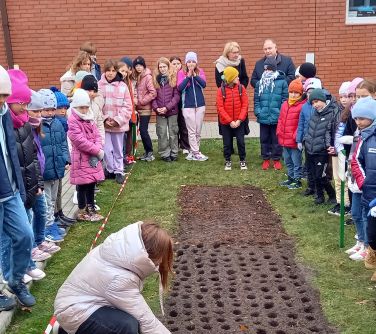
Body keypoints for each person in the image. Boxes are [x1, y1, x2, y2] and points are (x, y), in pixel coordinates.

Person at [54, 221, 173, 334]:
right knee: (126, 327)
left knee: (127, 321)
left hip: (78, 303)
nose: (162, 260)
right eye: (162, 255)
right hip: (74, 312)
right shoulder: (120, 278)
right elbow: (146, 320)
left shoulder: (118, 252)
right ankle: (71, 328)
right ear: (149, 253)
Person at [2, 70, 47, 285]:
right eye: (21, 102)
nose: (25, 108)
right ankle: (13, 272)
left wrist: (37, 182)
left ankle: (27, 264)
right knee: (13, 235)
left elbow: (33, 157)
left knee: (26, 229)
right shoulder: (6, 124)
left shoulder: (26, 124)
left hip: (25, 185)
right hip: (11, 189)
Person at [0, 65, 35, 310]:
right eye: (0, 96)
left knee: (25, 235)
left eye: (5, 96)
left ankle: (15, 280)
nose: (3, 101)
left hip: (10, 191)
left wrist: (20, 188)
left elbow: (12, 153)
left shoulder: (4, 114)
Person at [27, 91, 61, 257]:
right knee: (31, 214)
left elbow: (36, 157)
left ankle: (40, 241)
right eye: (36, 111)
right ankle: (32, 246)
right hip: (29, 180)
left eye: (41, 111)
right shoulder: (25, 129)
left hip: (37, 177)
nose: (40, 115)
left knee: (41, 210)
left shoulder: (35, 128)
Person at [67, 89, 104, 222]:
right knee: (82, 185)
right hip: (81, 158)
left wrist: (99, 146)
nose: (84, 110)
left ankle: (91, 207)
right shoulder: (73, 121)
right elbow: (80, 141)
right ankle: (82, 210)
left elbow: (97, 135)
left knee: (92, 183)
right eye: (81, 107)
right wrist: (96, 150)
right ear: (76, 106)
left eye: (86, 107)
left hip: (92, 157)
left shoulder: (90, 118)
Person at [39, 89, 69, 242]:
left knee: (52, 200)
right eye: (46, 110)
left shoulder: (58, 124)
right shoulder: (38, 126)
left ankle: (51, 224)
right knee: (46, 201)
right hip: (45, 172)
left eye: (52, 109)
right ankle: (47, 228)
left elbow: (63, 143)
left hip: (57, 168)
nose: (50, 113)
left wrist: (66, 158)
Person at [98, 59, 132, 184]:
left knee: (118, 149)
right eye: (108, 71)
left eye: (113, 71)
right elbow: (96, 106)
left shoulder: (123, 86)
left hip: (118, 125)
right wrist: (105, 119)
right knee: (106, 149)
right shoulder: (99, 86)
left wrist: (118, 120)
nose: (110, 73)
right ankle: (110, 169)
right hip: (105, 124)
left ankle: (119, 170)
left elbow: (128, 106)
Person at [351, 97, 376, 266]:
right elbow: (356, 160)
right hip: (369, 190)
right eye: (356, 119)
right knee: (370, 226)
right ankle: (369, 252)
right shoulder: (362, 137)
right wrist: (363, 182)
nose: (358, 122)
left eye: (362, 118)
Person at [214, 41, 249, 156]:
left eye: (238, 52)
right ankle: (229, 149)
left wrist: (239, 88)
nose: (236, 55)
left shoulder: (240, 61)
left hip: (238, 96)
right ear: (227, 53)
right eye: (234, 52)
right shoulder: (220, 64)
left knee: (239, 127)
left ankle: (241, 149)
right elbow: (219, 82)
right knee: (227, 129)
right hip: (226, 98)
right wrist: (228, 90)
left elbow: (244, 77)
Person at [304, 88, 337, 205]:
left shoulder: (332, 113)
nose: (315, 105)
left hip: (322, 151)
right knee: (314, 174)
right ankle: (319, 196)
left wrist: (326, 145)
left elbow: (329, 132)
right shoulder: (315, 114)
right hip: (311, 149)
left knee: (321, 175)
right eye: (312, 103)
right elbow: (310, 130)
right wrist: (306, 141)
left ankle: (332, 195)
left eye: (317, 101)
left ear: (323, 100)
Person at [254, 56, 288, 170]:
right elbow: (256, 100)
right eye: (265, 69)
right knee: (264, 139)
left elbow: (284, 99)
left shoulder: (282, 83)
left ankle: (276, 159)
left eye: (269, 69)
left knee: (276, 140)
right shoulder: (260, 84)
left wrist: (280, 113)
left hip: (276, 117)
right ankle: (266, 159)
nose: (267, 71)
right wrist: (258, 112)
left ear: (274, 69)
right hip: (263, 117)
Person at [50, 87, 77, 227]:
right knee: (53, 192)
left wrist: (66, 159)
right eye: (59, 107)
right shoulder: (51, 124)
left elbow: (63, 144)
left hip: (59, 161)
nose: (63, 111)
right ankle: (55, 215)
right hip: (52, 164)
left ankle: (60, 212)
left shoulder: (62, 124)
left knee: (60, 188)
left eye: (65, 107)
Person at [177, 51, 208, 161]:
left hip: (200, 105)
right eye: (189, 61)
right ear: (186, 63)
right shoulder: (181, 73)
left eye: (193, 61)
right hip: (188, 106)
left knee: (198, 129)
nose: (191, 63)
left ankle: (194, 150)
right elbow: (180, 88)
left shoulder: (200, 72)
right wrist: (188, 77)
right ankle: (195, 152)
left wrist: (195, 76)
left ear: (196, 62)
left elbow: (203, 84)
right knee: (192, 130)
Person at [216, 66, 248, 171]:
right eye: (236, 76)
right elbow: (220, 107)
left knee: (241, 141)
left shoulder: (241, 88)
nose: (238, 78)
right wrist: (230, 121)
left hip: (239, 122)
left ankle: (242, 160)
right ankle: (228, 160)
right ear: (230, 78)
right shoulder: (221, 90)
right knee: (227, 143)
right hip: (226, 123)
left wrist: (239, 120)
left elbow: (245, 105)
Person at [277, 79, 306, 189]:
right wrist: (279, 131)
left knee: (296, 161)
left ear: (300, 94)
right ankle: (290, 178)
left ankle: (297, 180)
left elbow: (301, 124)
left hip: (294, 141)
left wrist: (296, 136)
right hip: (284, 139)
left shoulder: (301, 106)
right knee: (287, 160)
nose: (293, 95)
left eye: (296, 93)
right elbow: (280, 119)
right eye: (291, 92)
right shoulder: (284, 104)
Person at [297, 78, 322, 196]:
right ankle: (311, 187)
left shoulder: (321, 107)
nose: (310, 94)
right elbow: (301, 124)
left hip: (318, 142)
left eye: (313, 91)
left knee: (318, 167)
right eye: (308, 92)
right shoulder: (304, 107)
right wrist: (299, 139)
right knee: (308, 165)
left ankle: (319, 189)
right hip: (307, 140)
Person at [152, 57, 180, 162]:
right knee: (162, 132)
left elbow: (176, 96)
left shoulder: (173, 78)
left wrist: (167, 107)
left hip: (172, 111)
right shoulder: (155, 79)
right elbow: (153, 96)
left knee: (173, 132)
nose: (162, 69)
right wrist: (157, 108)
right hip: (160, 112)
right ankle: (165, 153)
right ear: (158, 68)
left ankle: (174, 153)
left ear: (168, 67)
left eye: (164, 66)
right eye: (160, 67)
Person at [133, 56, 157, 162]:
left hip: (145, 109)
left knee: (143, 131)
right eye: (137, 66)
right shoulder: (136, 77)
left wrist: (141, 102)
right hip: (138, 109)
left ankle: (150, 152)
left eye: (140, 65)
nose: (138, 67)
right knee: (141, 131)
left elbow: (153, 92)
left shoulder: (147, 77)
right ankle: (147, 152)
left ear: (144, 66)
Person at [119, 57, 138, 165]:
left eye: (129, 70)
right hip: (122, 113)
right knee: (123, 135)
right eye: (124, 70)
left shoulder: (129, 81)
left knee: (129, 134)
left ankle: (127, 155)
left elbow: (131, 97)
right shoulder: (120, 82)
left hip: (130, 112)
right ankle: (122, 156)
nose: (127, 72)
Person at [170, 56, 190, 155]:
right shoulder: (169, 75)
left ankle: (185, 145)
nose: (176, 66)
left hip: (183, 102)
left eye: (178, 64)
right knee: (174, 125)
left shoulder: (184, 74)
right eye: (174, 64)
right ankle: (175, 145)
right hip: (172, 103)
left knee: (183, 124)